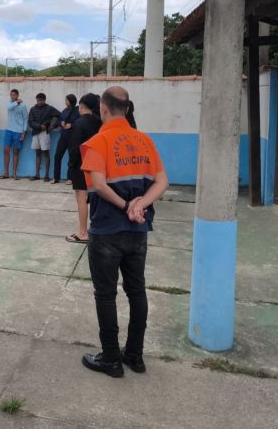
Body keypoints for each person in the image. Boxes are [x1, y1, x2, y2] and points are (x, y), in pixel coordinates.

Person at [79, 86, 169, 378]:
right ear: (128, 109)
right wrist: (140, 205)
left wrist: (126, 205)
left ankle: (111, 359)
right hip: (138, 229)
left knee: (105, 294)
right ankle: (135, 355)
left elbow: (99, 185)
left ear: (104, 109)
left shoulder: (98, 142)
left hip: (107, 230)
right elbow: (162, 182)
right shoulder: (144, 141)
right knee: (136, 291)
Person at [65, 93, 102, 244]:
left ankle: (82, 233)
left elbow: (75, 148)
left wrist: (71, 165)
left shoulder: (79, 124)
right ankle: (97, 230)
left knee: (81, 198)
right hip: (98, 165)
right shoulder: (100, 122)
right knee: (96, 198)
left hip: (81, 166)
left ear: (80, 106)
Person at [28, 93, 60, 181]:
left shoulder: (49, 109)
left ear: (44, 100)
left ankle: (46, 175)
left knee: (45, 153)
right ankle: (37, 174)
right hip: (35, 133)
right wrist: (39, 126)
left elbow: (59, 116)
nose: (39, 102)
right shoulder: (33, 109)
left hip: (44, 133)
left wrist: (52, 126)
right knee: (37, 153)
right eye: (37, 100)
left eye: (40, 100)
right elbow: (30, 122)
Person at [0, 89, 28, 180]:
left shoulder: (23, 106)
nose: (12, 97)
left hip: (18, 132)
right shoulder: (10, 104)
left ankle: (14, 173)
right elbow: (9, 107)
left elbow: (25, 119)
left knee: (16, 152)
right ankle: (6, 172)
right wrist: (16, 102)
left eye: (14, 95)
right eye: (11, 95)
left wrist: (23, 132)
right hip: (9, 130)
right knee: (6, 150)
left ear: (17, 95)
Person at [52, 94, 80, 184]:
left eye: (66, 100)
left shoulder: (77, 111)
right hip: (63, 136)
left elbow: (80, 122)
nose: (65, 102)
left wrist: (71, 125)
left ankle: (70, 178)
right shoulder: (64, 111)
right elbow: (59, 120)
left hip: (73, 137)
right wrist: (61, 123)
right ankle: (56, 177)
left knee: (71, 158)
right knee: (57, 156)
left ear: (71, 101)